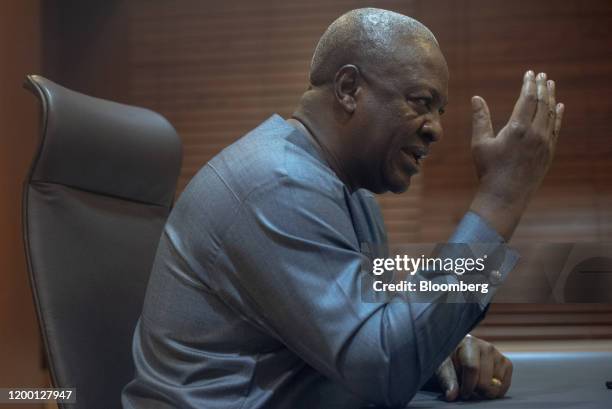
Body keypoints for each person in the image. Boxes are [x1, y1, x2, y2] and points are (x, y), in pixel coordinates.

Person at [122, 8, 563, 409]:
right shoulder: (279, 184)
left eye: (441, 110)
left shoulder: (353, 198)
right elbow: (385, 367)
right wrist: (501, 197)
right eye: (421, 102)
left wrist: (440, 350)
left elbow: (374, 339)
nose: (437, 130)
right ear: (349, 89)